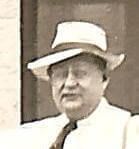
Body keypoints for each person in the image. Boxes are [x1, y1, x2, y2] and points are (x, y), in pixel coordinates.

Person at [0, 21, 138, 149]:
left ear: (104, 79)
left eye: (80, 73)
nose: (69, 83)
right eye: (61, 75)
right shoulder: (32, 136)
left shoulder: (129, 131)